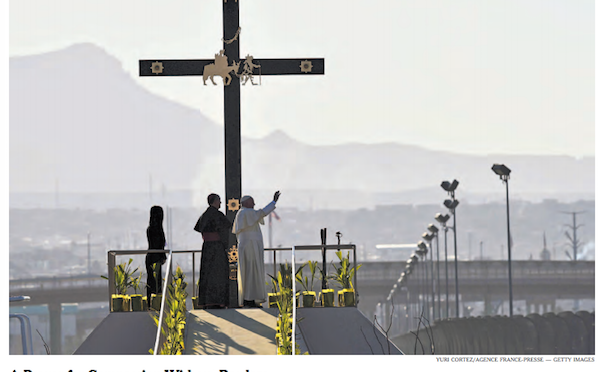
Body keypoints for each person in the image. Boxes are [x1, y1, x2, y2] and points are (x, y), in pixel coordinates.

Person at [232, 191, 281, 308]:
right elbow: (262, 212)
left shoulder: (244, 213)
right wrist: (273, 202)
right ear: (246, 203)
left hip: (251, 246)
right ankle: (249, 299)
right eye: (252, 202)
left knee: (252, 273)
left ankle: (251, 299)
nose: (254, 204)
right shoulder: (245, 212)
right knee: (250, 272)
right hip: (250, 247)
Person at [193, 193, 232, 309]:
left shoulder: (204, 215)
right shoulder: (218, 215)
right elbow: (225, 230)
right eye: (219, 201)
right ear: (214, 201)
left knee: (207, 274)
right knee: (219, 274)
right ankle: (219, 301)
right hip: (217, 248)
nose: (220, 203)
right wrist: (226, 245)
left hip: (207, 248)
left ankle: (207, 301)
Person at [146, 205, 167, 300]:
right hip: (156, 257)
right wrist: (163, 256)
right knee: (156, 281)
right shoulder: (158, 229)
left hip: (151, 256)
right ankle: (156, 302)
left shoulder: (150, 228)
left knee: (151, 280)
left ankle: (150, 302)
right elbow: (159, 245)